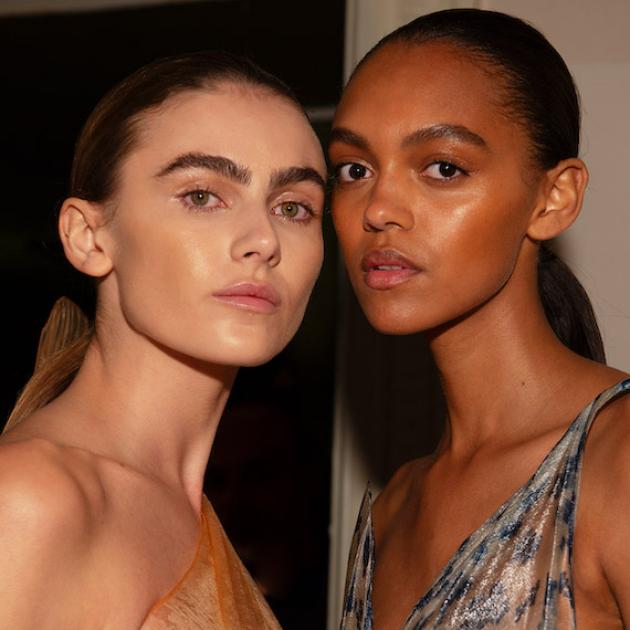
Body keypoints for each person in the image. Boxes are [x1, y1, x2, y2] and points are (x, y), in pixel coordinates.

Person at [0, 51, 326, 628]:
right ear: (88, 238)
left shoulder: (188, 507)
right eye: (202, 196)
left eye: (293, 207)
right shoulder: (33, 500)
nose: (263, 240)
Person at [329, 9, 630, 629]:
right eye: (354, 170)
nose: (378, 208)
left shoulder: (618, 462)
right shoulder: (391, 513)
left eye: (443, 167)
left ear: (554, 199)